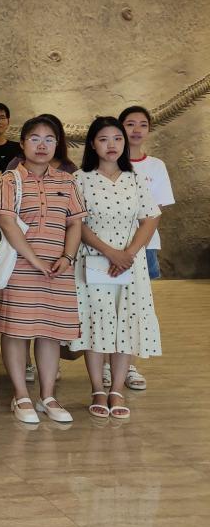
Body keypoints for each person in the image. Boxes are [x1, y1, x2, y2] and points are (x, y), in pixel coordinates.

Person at [0, 115, 86, 424]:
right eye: (34, 138)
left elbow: (75, 223)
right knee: (16, 332)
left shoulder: (67, 181)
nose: (42, 145)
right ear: (22, 144)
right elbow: (7, 222)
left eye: (49, 139)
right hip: (19, 268)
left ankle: (48, 396)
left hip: (58, 269)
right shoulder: (9, 180)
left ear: (57, 144)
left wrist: (67, 257)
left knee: (50, 333)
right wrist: (33, 259)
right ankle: (21, 395)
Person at [70, 117, 161, 419]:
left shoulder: (135, 178)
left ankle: (117, 389)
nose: (112, 145)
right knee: (96, 321)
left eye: (117, 138)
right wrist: (109, 252)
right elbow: (77, 223)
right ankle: (98, 388)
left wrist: (128, 254)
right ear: (92, 144)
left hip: (130, 263)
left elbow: (150, 218)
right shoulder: (80, 179)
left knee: (127, 320)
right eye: (104, 139)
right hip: (93, 259)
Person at [118, 104, 174, 391]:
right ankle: (107, 365)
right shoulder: (108, 161)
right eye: (130, 124)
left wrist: (134, 245)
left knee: (135, 306)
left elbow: (156, 210)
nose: (136, 130)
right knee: (110, 305)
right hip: (109, 245)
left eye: (142, 124)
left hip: (145, 245)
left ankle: (128, 365)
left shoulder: (156, 166)